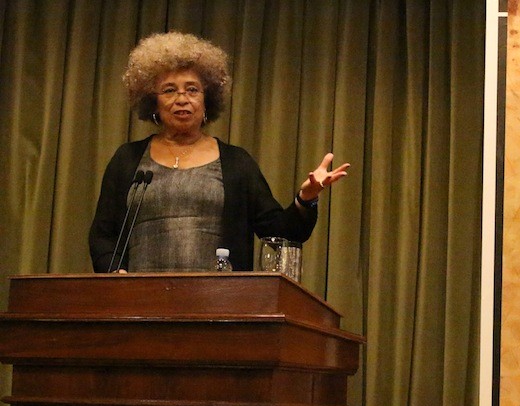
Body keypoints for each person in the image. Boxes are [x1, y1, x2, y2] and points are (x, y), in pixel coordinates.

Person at [89, 31, 349, 273]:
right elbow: (102, 235)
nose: (182, 98)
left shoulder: (236, 163)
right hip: (141, 306)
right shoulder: (128, 160)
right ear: (152, 101)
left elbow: (282, 232)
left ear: (207, 100)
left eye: (192, 89)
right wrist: (116, 274)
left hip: (220, 306)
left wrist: (307, 197)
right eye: (169, 90)